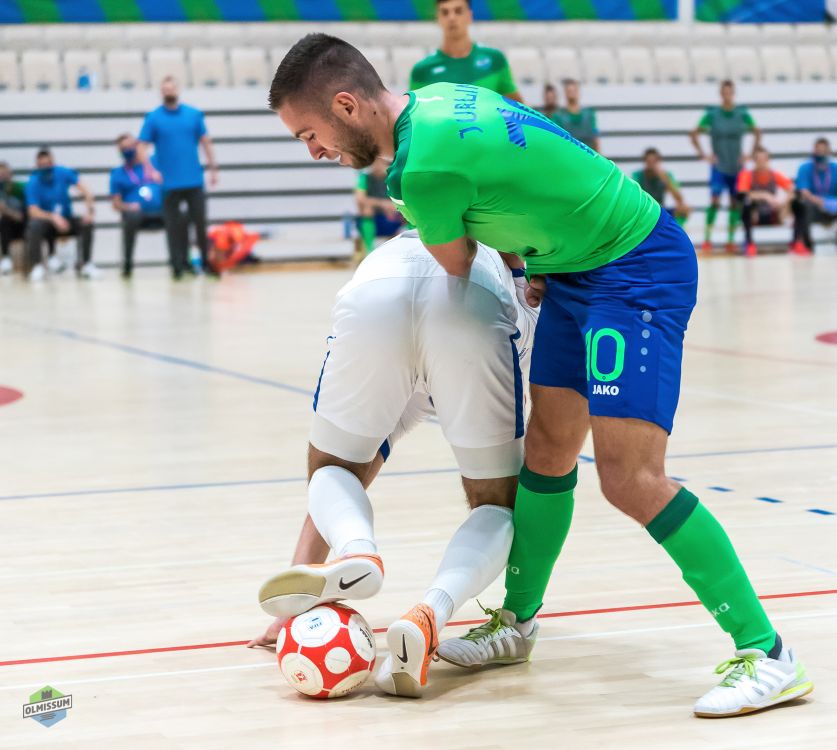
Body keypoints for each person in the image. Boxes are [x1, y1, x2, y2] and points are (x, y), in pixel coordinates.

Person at [268, 34, 812, 718]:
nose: (314, 152)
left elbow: (457, 261)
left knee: (630, 478)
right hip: (574, 266)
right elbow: (531, 171)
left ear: (347, 106)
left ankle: (768, 654)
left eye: (309, 135)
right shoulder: (439, 98)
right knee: (548, 455)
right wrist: (539, 256)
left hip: (633, 270)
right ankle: (516, 623)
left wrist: (527, 254)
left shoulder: (418, 170)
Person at [250, 231, 539, 698]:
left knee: (334, 469)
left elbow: (349, 473)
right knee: (497, 503)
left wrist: (293, 602)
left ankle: (357, 550)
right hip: (479, 295)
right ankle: (432, 611)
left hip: (384, 278)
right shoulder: (536, 307)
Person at [138, 76, 218, 280]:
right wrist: (150, 170)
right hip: (169, 183)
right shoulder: (153, 118)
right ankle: (177, 265)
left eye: (171, 88)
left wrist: (213, 169)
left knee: (199, 224)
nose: (168, 92)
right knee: (173, 227)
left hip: (194, 180)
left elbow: (206, 142)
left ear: (177, 90)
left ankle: (205, 263)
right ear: (161, 92)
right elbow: (141, 147)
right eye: (164, 89)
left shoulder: (194, 115)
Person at [690, 80, 761, 254]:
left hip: (736, 165)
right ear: (721, 93)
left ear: (733, 93)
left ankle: (730, 240)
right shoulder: (712, 114)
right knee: (714, 201)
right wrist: (704, 155)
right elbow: (694, 133)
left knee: (735, 203)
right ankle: (707, 239)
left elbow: (757, 131)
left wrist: (750, 154)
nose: (727, 95)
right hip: (719, 165)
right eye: (724, 92)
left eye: (730, 92)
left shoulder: (742, 113)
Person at [409, 0, 522, 101]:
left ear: (469, 16)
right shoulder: (422, 71)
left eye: (458, 11)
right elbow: (412, 115)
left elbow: (519, 110)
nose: (452, 18)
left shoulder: (495, 60)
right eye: (445, 12)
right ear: (437, 18)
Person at [24, 147, 97, 282]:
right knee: (34, 225)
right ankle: (37, 266)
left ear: (53, 162)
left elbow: (86, 191)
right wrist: (53, 217)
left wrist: (90, 212)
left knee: (87, 223)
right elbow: (33, 211)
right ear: (37, 166)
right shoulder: (33, 182)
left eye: (48, 164)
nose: (46, 167)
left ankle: (86, 264)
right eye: (42, 165)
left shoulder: (62, 172)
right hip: (47, 223)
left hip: (66, 219)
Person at [109, 133, 165, 278]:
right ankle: (127, 265)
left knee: (179, 215)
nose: (128, 150)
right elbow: (116, 204)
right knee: (131, 217)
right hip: (137, 215)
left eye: (131, 146)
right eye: (124, 148)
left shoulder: (155, 163)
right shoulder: (117, 174)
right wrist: (129, 207)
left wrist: (160, 177)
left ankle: (182, 263)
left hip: (161, 212)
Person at [736, 146, 793, 257]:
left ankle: (797, 242)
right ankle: (749, 243)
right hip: (756, 215)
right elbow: (742, 194)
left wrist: (783, 202)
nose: (761, 162)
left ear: (768, 160)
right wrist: (765, 195)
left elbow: (792, 190)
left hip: (773, 214)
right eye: (758, 159)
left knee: (796, 203)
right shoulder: (747, 175)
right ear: (754, 161)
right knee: (747, 204)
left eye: (764, 159)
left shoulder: (775, 175)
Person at [791, 137, 837, 254]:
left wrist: (828, 204)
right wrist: (818, 201)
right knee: (802, 205)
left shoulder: (835, 168)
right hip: (813, 206)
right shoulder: (805, 167)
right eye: (818, 151)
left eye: (824, 151)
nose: (821, 154)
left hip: (832, 206)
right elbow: (803, 191)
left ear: (829, 152)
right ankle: (806, 244)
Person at [355, 158, 404, 255]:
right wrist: (383, 204)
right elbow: (360, 198)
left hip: (392, 216)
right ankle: (369, 249)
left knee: (406, 211)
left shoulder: (392, 177)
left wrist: (394, 206)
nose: (377, 165)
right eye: (374, 162)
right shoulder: (365, 177)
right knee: (367, 208)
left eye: (379, 162)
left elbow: (403, 197)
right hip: (373, 218)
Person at [633, 148, 690, 227]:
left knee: (684, 209)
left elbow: (679, 199)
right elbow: (635, 197)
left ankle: (674, 230)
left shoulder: (665, 175)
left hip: (660, 209)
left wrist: (666, 180)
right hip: (645, 210)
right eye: (649, 162)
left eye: (654, 162)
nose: (651, 165)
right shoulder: (638, 175)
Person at [553, 79, 600, 152]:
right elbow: (557, 143)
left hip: (587, 156)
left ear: (578, 92)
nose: (571, 93)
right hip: (569, 155)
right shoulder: (558, 117)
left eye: (573, 90)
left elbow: (595, 139)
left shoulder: (589, 115)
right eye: (569, 91)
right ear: (565, 93)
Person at [0, 161, 26, 275]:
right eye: (0, 176)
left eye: (4, 175)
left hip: (24, 222)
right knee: (4, 221)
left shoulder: (21, 187)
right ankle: (6, 258)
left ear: (10, 174)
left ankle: (36, 260)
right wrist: (11, 213)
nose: (3, 178)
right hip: (9, 225)